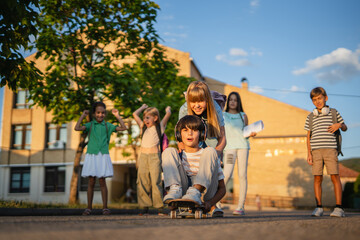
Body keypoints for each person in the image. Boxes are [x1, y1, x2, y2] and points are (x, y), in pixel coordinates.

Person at [178, 81, 226, 216]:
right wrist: (188, 155)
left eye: (201, 101)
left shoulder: (215, 108)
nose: (197, 105)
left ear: (207, 100)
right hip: (192, 141)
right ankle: (190, 197)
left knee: (213, 166)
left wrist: (215, 155)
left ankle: (213, 204)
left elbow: (223, 137)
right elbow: (180, 139)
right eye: (193, 101)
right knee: (191, 166)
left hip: (211, 137)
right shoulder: (183, 109)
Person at [162, 115, 226, 215]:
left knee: (211, 150)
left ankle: (196, 191)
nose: (190, 133)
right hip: (183, 191)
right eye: (185, 130)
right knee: (169, 151)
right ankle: (174, 190)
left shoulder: (209, 154)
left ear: (202, 134)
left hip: (206, 193)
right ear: (179, 135)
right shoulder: (178, 157)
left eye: (194, 130)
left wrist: (210, 203)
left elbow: (222, 188)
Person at [74, 102, 127, 215]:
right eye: (98, 112)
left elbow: (123, 127)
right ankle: (88, 208)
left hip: (103, 155)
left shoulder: (108, 125)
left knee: (102, 181)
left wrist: (117, 116)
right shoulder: (90, 125)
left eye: (103, 113)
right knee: (91, 181)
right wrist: (83, 116)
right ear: (94, 113)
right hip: (92, 155)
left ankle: (105, 208)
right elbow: (77, 127)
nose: (100, 115)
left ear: (105, 114)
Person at [304, 87, 347, 217]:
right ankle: (319, 208)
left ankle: (339, 208)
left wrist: (338, 125)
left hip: (330, 150)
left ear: (325, 98)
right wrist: (309, 153)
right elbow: (308, 136)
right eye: (314, 100)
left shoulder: (334, 113)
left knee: (334, 176)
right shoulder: (311, 116)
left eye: (319, 98)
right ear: (312, 102)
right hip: (316, 151)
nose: (317, 102)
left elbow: (345, 127)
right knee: (317, 178)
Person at [133, 104, 171, 215]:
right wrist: (142, 108)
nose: (145, 120)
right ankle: (144, 207)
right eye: (144, 118)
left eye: (148, 117)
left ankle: (160, 208)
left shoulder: (160, 126)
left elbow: (168, 114)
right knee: (142, 181)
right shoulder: (142, 127)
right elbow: (134, 114)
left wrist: (167, 109)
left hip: (155, 157)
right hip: (143, 157)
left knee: (156, 181)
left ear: (155, 118)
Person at [222, 91, 256, 215]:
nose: (232, 102)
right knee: (226, 175)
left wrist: (251, 133)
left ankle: (240, 207)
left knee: (242, 175)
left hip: (243, 147)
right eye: (230, 99)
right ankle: (216, 204)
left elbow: (245, 131)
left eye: (235, 100)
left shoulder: (243, 115)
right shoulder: (223, 115)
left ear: (238, 102)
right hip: (229, 149)